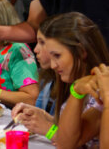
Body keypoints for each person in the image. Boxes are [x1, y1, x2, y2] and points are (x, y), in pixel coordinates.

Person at [12, 12, 108, 147]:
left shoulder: (102, 89)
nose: (53, 65)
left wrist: (49, 128)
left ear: (81, 52)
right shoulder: (84, 85)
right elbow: (67, 140)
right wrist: (75, 92)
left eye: (57, 55)